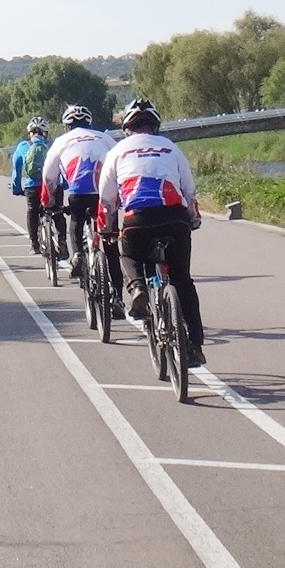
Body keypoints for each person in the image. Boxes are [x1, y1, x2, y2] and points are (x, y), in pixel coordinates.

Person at [97, 98, 205, 367]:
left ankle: (137, 287)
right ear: (155, 126)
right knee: (182, 280)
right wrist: (193, 220)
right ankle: (195, 345)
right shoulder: (171, 148)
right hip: (175, 219)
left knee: (128, 254)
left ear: (127, 128)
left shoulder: (117, 152)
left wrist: (107, 228)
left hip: (138, 220)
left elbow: (107, 199)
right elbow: (189, 190)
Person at [43, 104, 117, 305]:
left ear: (66, 126)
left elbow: (49, 176)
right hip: (103, 194)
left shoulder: (61, 141)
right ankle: (118, 296)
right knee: (110, 244)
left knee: (76, 220)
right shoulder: (105, 138)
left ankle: (77, 255)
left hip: (78, 194)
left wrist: (48, 201)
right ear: (89, 123)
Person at [8, 117, 52, 254]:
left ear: (30, 133)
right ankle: (62, 241)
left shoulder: (23, 146)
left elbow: (17, 169)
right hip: (50, 185)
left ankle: (34, 244)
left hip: (31, 186)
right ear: (45, 133)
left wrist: (16, 188)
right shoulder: (52, 145)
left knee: (32, 211)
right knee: (56, 211)